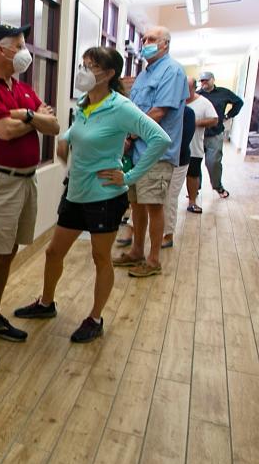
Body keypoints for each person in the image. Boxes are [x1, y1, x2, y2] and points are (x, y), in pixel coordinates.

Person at [14, 47, 168, 341]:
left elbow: (160, 139)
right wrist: (64, 141)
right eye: (82, 64)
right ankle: (46, 303)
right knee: (53, 251)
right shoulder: (85, 104)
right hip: (76, 192)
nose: (83, 71)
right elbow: (76, 133)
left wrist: (130, 175)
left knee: (100, 258)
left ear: (109, 75)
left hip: (105, 196)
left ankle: (95, 318)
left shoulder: (121, 107)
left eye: (91, 66)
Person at [0, 24, 60, 370]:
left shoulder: (21, 89)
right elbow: (4, 132)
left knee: (8, 254)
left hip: (25, 182)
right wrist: (36, 119)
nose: (25, 51)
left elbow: (55, 126)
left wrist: (29, 116)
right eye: (19, 45)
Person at [113, 26, 187, 278]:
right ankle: (136, 251)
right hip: (136, 153)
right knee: (136, 204)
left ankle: (154, 259)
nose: (145, 42)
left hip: (155, 154)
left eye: (152, 39)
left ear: (165, 44)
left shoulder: (172, 71)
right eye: (144, 39)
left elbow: (159, 112)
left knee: (154, 205)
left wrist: (131, 133)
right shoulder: (144, 75)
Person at [197, 71, 243, 198]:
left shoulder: (223, 92)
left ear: (213, 80)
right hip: (198, 134)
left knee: (213, 162)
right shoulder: (197, 95)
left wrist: (228, 115)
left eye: (206, 80)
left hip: (215, 133)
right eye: (201, 81)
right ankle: (195, 187)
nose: (204, 82)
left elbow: (239, 102)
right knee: (194, 163)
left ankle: (218, 186)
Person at [161, 93, 195, 248]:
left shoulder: (187, 113)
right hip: (156, 159)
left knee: (169, 197)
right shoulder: (160, 110)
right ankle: (132, 228)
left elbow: (183, 140)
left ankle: (168, 234)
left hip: (178, 161)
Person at [184, 77, 219, 214]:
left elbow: (214, 119)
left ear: (194, 88)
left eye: (187, 88)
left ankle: (192, 202)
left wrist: (195, 122)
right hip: (175, 148)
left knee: (192, 174)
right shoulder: (175, 101)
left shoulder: (204, 103)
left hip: (194, 146)